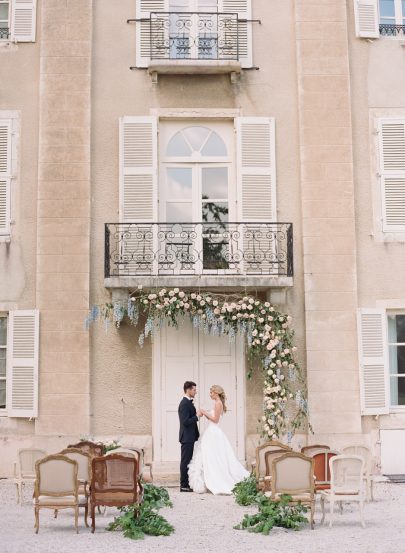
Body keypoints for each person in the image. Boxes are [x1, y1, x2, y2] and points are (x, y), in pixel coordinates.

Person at [188, 384, 250, 495]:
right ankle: (209, 478)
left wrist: (204, 411)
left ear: (216, 393)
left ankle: (218, 479)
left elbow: (215, 420)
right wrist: (205, 413)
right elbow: (213, 418)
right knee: (211, 457)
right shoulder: (217, 403)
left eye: (211, 392)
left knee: (215, 457)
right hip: (211, 431)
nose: (210, 394)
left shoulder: (218, 403)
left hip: (214, 432)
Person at [178, 381, 203, 492]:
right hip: (186, 437)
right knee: (185, 461)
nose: (195, 391)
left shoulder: (188, 402)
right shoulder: (184, 403)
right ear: (188, 390)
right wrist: (197, 416)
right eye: (194, 389)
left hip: (190, 436)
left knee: (187, 460)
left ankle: (187, 483)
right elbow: (185, 421)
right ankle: (183, 485)